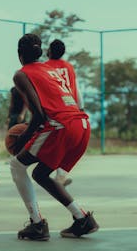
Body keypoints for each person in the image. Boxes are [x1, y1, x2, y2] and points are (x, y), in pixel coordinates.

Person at [10, 33, 99, 240]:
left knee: (16, 165)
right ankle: (82, 219)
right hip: (82, 123)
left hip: (62, 125)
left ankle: (37, 224)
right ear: (40, 51)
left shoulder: (21, 74)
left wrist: (21, 140)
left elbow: (39, 115)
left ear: (19, 54)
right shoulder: (50, 70)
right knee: (41, 174)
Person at [45, 39, 84, 186]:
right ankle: (61, 173)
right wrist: (80, 107)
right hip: (72, 108)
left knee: (53, 140)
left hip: (56, 109)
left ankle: (56, 172)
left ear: (50, 51)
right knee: (64, 142)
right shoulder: (69, 67)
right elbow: (76, 88)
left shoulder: (46, 67)